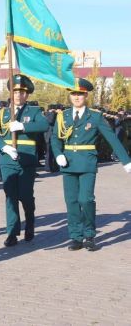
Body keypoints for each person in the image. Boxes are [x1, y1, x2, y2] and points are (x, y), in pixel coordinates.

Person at [51, 78, 131, 251]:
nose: (77, 97)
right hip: (68, 163)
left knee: (85, 199)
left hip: (87, 162)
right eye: (74, 94)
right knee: (71, 201)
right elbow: (55, 138)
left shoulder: (95, 116)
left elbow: (112, 139)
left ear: (85, 95)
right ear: (70, 96)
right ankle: (76, 236)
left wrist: (126, 161)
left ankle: (89, 234)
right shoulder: (62, 116)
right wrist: (58, 154)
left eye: (80, 94)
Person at [0, 74, 49, 247]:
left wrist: (23, 126)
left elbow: (44, 125)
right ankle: (12, 232)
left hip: (26, 159)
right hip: (8, 159)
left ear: (27, 94)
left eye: (22, 92)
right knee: (10, 197)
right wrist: (4, 147)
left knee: (25, 196)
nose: (18, 95)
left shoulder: (34, 111)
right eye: (15, 91)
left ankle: (29, 224)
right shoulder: (3, 113)